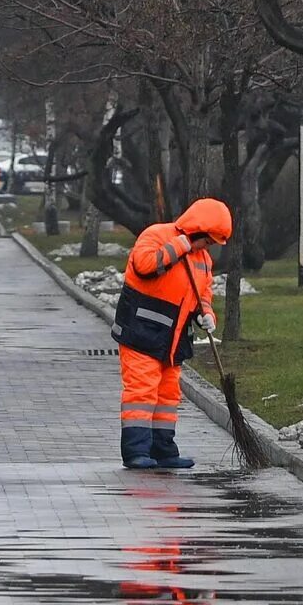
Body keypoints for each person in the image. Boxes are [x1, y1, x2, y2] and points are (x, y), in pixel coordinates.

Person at [110, 197, 231, 470]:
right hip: (140, 334)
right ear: (197, 230)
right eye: (208, 240)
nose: (208, 247)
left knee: (167, 397)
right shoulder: (156, 235)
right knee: (141, 392)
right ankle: (136, 452)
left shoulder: (203, 260)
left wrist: (207, 314)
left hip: (173, 341)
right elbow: (145, 265)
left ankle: (163, 451)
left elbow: (203, 294)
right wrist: (183, 245)